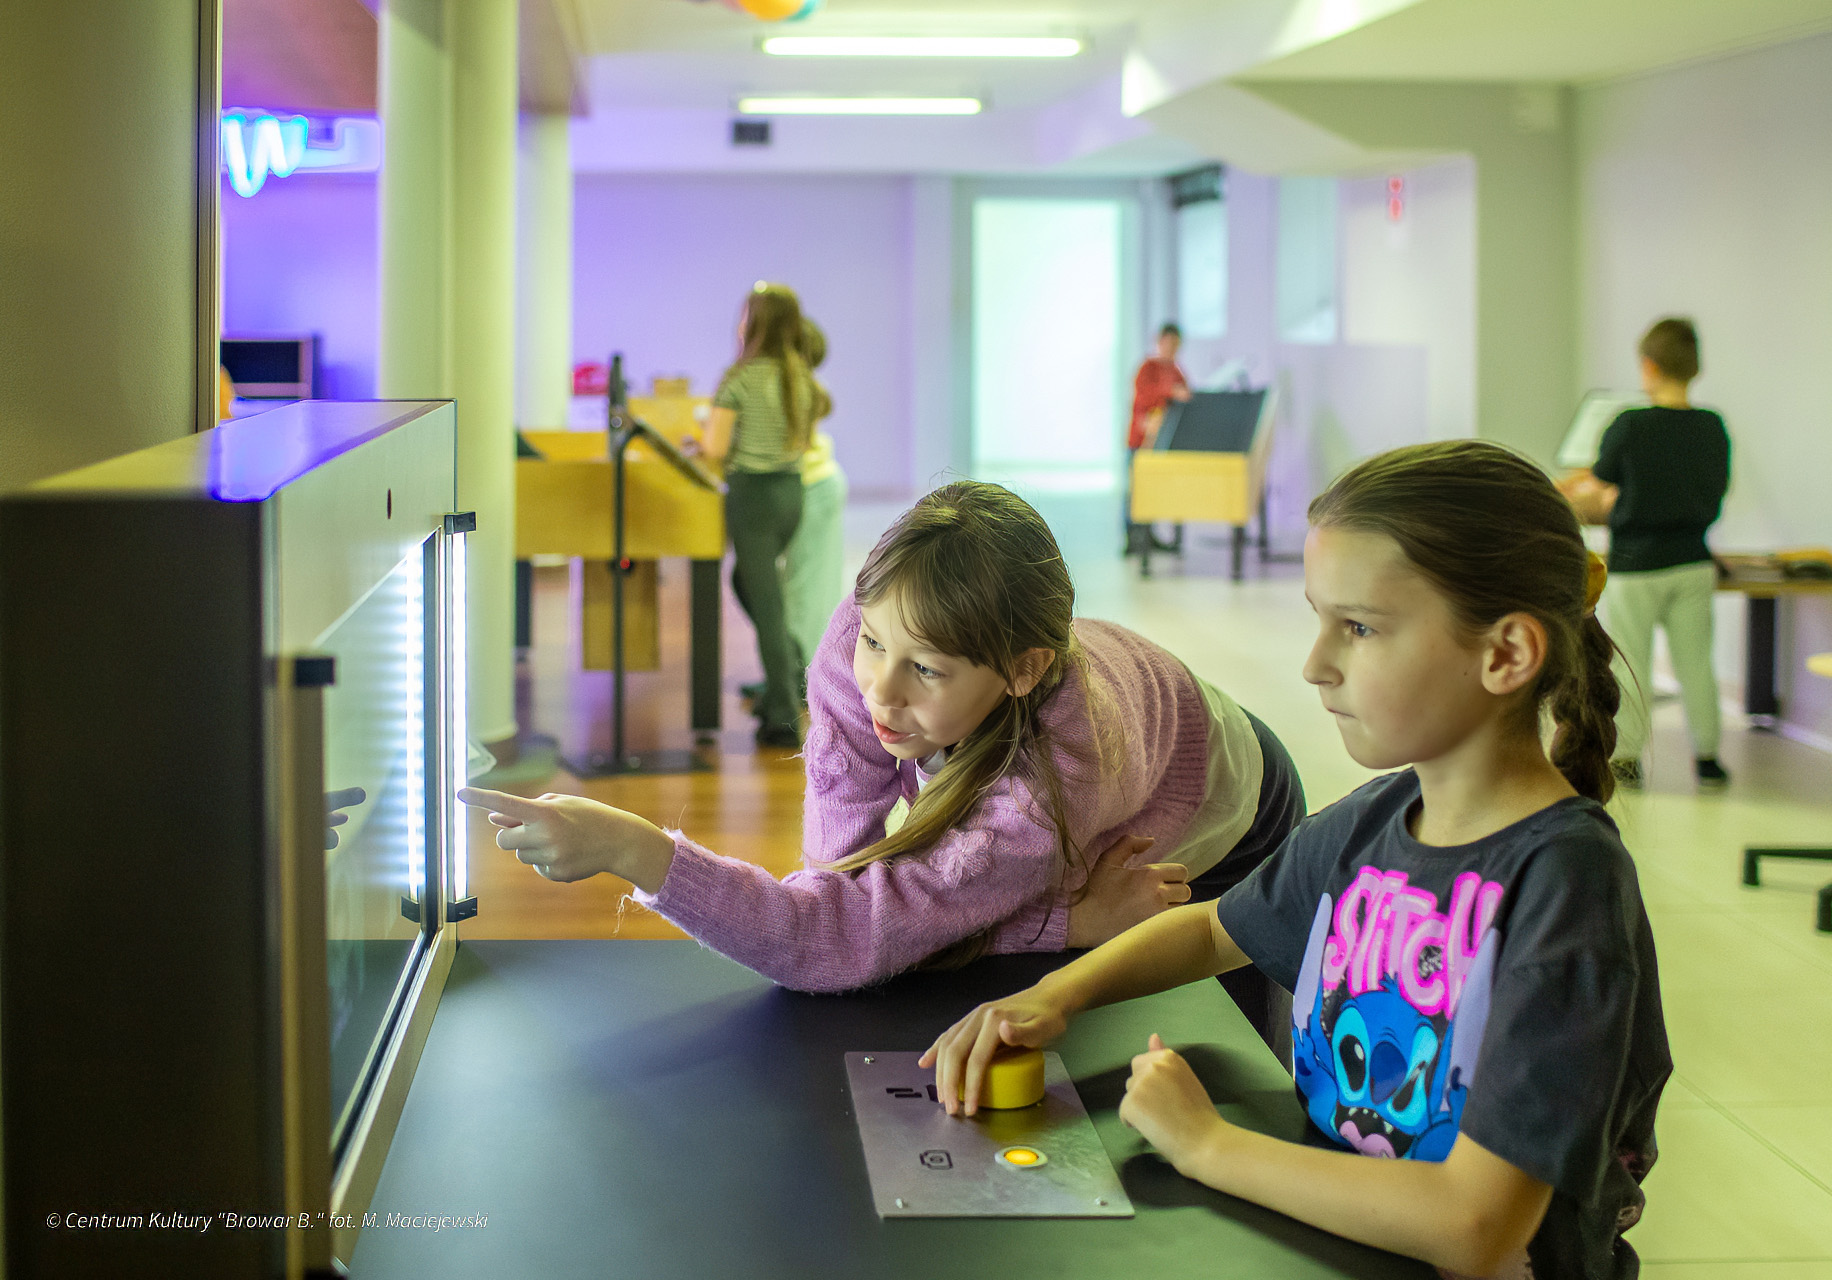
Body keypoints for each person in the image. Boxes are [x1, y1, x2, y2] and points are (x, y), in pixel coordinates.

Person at [926, 442, 1671, 1280]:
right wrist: (1053, 996)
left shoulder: (1566, 882)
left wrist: (1208, 1145)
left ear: (1505, 655)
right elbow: (1214, 930)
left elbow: (1476, 1226)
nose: (1316, 665)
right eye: (1321, 621)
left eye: (1360, 628)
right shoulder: (1376, 820)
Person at [460, 481, 1306, 1005]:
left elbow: (843, 937)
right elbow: (839, 897)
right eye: (874, 642)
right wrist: (1064, 921)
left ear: (1021, 670)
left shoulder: (1052, 782)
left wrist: (635, 849)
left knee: (1208, 1059)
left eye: (927, 669)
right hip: (1111, 747)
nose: (879, 693)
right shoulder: (856, 650)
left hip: (1231, 820)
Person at [1560, 317, 1731, 790]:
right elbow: (1714, 489)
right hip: (1694, 562)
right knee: (1697, 664)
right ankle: (1709, 758)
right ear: (1694, 367)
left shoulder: (1630, 425)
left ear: (1649, 366)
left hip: (1636, 564)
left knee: (1630, 662)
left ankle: (1628, 759)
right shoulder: (1713, 427)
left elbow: (1600, 482)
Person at [705, 282, 814, 748]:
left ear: (755, 324)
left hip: (753, 498)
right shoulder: (800, 376)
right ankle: (792, 670)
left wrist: (703, 444)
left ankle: (784, 714)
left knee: (766, 604)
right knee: (748, 584)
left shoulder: (741, 378)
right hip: (790, 494)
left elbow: (714, 448)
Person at [742, 317, 848, 713]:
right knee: (789, 589)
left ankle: (802, 682)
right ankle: (786, 674)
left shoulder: (795, 385)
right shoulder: (790, 383)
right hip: (808, 487)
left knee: (806, 592)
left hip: (814, 488)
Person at [1125, 322, 1192, 555]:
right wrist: (1171, 392)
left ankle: (1148, 536)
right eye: (1169, 343)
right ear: (1160, 341)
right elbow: (1145, 395)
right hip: (1140, 442)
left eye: (1176, 345)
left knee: (1153, 492)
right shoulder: (1148, 367)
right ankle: (1132, 538)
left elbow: (1186, 394)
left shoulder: (1176, 371)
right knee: (1134, 491)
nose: (1172, 349)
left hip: (1161, 444)